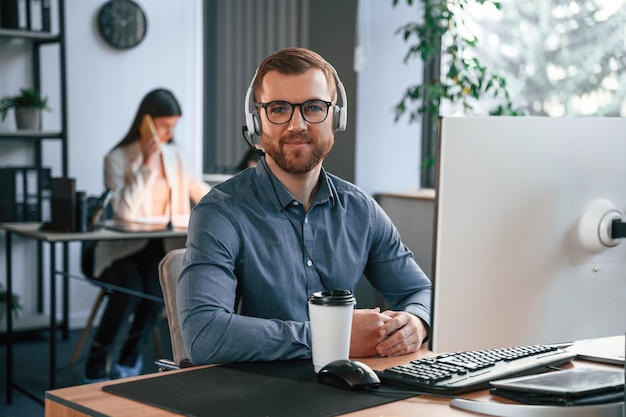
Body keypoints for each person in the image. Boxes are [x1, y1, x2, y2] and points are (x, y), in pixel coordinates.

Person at [178, 48, 431, 366]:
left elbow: (422, 292)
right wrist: (330, 337)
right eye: (279, 109)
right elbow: (204, 336)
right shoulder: (219, 213)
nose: (296, 125)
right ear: (257, 121)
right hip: (258, 397)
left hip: (345, 391)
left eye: (313, 107)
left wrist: (417, 323)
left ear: (336, 117)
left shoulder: (360, 210)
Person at [84, 88, 211, 382]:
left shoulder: (178, 155)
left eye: (173, 126)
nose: (169, 133)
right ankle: (97, 354)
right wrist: (147, 164)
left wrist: (232, 202)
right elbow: (125, 211)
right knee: (129, 287)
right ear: (147, 123)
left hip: (161, 247)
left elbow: (198, 190)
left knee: (156, 291)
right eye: (164, 126)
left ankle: (129, 358)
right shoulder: (116, 158)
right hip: (122, 249)